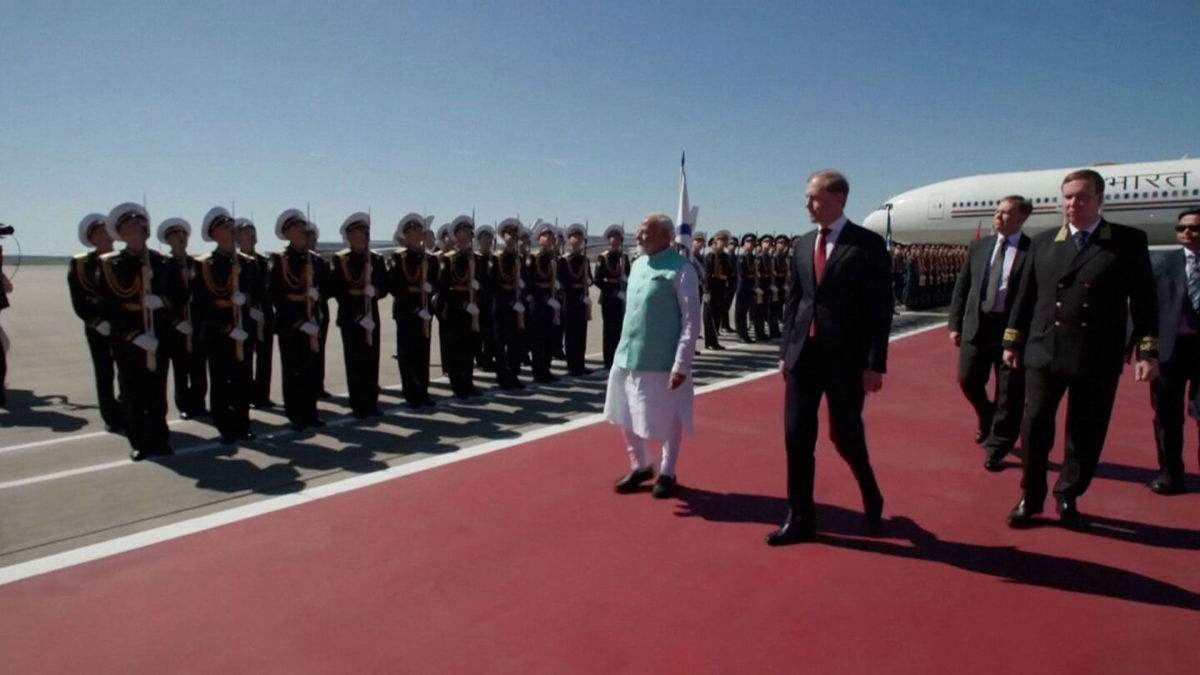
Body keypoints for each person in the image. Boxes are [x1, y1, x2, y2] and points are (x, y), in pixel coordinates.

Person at [1003, 169, 1158, 529]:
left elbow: (1145, 302)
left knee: (1085, 432)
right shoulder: (1042, 242)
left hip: (1097, 353)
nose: (1073, 204)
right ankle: (1032, 495)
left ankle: (1069, 494)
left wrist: (1147, 352)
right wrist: (1013, 341)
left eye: (1082, 197)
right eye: (1068, 197)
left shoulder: (1126, 241)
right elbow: (1023, 298)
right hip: (1045, 349)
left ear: (1100, 199)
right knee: (1035, 425)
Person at [769, 170, 892, 546]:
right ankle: (800, 516)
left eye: (815, 197)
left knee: (846, 437)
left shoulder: (867, 245)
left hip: (846, 360)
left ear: (839, 198)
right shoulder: (803, 244)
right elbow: (794, 301)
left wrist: (875, 364)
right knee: (796, 437)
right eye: (807, 197)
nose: (808, 204)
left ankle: (870, 489)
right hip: (804, 358)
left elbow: (879, 309)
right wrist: (785, 351)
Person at [604, 213, 701, 500]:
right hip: (627, 355)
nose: (639, 235)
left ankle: (668, 471)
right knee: (625, 410)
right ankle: (641, 465)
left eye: (645, 231)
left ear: (664, 236)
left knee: (669, 416)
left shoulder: (683, 269)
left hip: (663, 360)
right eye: (639, 230)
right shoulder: (636, 266)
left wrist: (681, 363)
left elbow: (691, 320)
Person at [947, 196, 1032, 471]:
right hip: (978, 326)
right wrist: (954, 324)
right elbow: (963, 288)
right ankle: (986, 414)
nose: (999, 217)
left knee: (1009, 393)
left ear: (1021, 218)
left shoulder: (1033, 250)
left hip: (1012, 330)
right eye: (997, 212)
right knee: (968, 380)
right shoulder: (979, 246)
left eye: (1006, 213)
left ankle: (997, 446)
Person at [97, 202, 182, 460]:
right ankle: (139, 442)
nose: (136, 231)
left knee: (157, 393)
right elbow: (107, 306)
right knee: (133, 393)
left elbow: (181, 294)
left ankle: (160, 439)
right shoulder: (110, 265)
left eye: (140, 227)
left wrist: (163, 302)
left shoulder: (163, 262)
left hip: (158, 337)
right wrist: (134, 336)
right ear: (121, 234)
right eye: (130, 228)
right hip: (129, 341)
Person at [1145, 207, 1200, 495]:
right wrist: (1144, 351)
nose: (1187, 233)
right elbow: (1146, 310)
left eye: (1194, 228)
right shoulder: (1162, 262)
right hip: (1171, 350)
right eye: (1182, 228)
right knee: (1167, 416)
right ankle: (1170, 473)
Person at [192, 207, 259, 444]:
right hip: (218, 334)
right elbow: (200, 303)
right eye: (224, 228)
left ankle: (242, 424)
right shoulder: (204, 265)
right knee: (220, 382)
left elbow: (260, 292)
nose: (231, 231)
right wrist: (226, 327)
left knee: (242, 381)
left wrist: (249, 306)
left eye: (232, 227)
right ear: (213, 234)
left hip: (244, 332)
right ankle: (225, 428)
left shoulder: (248, 263)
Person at [269, 209, 328, 430]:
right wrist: (299, 321)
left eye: (303, 226)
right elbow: (274, 294)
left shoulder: (315, 260)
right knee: (293, 372)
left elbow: (328, 287)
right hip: (291, 326)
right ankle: (296, 415)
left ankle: (310, 412)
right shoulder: (279, 259)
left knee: (310, 371)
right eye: (295, 227)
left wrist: (318, 298)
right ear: (286, 233)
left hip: (312, 323)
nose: (302, 230)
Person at [330, 212, 390, 418]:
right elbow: (337, 290)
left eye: (366, 231)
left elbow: (385, 285)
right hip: (350, 318)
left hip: (371, 317)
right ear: (349, 235)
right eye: (359, 232)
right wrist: (356, 316)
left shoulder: (376, 259)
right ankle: (358, 404)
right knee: (355, 362)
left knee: (371, 361)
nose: (364, 235)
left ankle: (371, 403)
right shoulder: (341, 260)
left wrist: (377, 292)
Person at [68, 213, 123, 431]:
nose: (105, 235)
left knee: (128, 374)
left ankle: (128, 410)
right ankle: (111, 417)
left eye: (107, 231)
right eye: (99, 232)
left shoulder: (123, 260)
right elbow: (79, 301)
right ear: (90, 238)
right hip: (97, 327)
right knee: (104, 373)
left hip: (125, 327)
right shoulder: (81, 264)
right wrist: (96, 322)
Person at [388, 213, 438, 408]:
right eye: (412, 231)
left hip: (426, 312)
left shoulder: (430, 259)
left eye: (419, 230)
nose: (417, 234)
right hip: (407, 312)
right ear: (405, 235)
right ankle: (411, 393)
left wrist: (431, 291)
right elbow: (396, 287)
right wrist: (416, 308)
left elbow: (437, 282)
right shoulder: (398, 258)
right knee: (407, 354)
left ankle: (422, 391)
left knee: (422, 353)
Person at [159, 217, 207, 419]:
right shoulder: (163, 265)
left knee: (198, 367)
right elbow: (162, 296)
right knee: (180, 369)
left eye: (183, 235)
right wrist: (176, 321)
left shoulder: (197, 263)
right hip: (176, 325)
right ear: (167, 240)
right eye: (175, 235)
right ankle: (184, 404)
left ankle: (199, 403)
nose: (180, 238)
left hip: (196, 323)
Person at [437, 215, 483, 398]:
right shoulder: (447, 260)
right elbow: (443, 289)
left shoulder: (476, 259)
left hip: (472, 311)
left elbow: (486, 282)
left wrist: (479, 290)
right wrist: (463, 304)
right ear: (455, 236)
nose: (465, 237)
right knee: (456, 350)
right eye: (461, 233)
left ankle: (468, 382)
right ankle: (458, 385)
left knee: (470, 348)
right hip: (455, 312)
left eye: (468, 233)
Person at [234, 218, 276, 409]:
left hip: (265, 316)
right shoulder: (235, 263)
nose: (251, 235)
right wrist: (249, 307)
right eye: (245, 232)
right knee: (246, 358)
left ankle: (262, 395)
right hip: (245, 317)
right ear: (237, 239)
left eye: (253, 231)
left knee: (265, 358)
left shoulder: (264, 262)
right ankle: (247, 393)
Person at [490, 218, 527, 389]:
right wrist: (509, 300)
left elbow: (527, 281)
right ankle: (502, 376)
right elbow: (492, 284)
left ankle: (514, 374)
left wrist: (522, 290)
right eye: (508, 234)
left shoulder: (520, 258)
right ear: (503, 237)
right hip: (501, 306)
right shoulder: (496, 258)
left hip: (517, 307)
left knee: (516, 343)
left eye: (514, 234)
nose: (512, 237)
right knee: (500, 343)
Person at [528, 222, 564, 383]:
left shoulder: (554, 259)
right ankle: (538, 371)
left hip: (552, 304)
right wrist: (546, 298)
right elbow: (530, 284)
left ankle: (546, 368)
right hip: (539, 304)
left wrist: (558, 289)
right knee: (538, 339)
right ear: (538, 239)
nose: (549, 239)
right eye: (545, 236)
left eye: (551, 236)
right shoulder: (533, 259)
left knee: (551, 338)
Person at [594, 224, 629, 369]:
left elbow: (629, 276)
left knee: (621, 328)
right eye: (612, 237)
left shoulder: (624, 257)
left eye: (617, 238)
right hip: (609, 297)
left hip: (622, 297)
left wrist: (625, 290)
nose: (615, 240)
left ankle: (619, 357)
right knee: (609, 329)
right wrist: (613, 291)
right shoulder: (603, 257)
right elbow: (598, 279)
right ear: (609, 240)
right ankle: (608, 359)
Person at [561, 223, 594, 376]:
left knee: (581, 334)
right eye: (574, 237)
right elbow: (561, 281)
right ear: (569, 240)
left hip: (582, 299)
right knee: (571, 335)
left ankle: (580, 364)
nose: (577, 241)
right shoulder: (564, 260)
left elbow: (590, 279)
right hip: (569, 299)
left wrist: (587, 282)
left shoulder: (584, 260)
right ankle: (572, 365)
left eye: (580, 238)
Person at [306, 222, 333, 398]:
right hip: (302, 314)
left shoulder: (320, 262)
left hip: (320, 310)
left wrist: (320, 293)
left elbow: (331, 286)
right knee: (305, 353)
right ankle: (306, 387)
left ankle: (318, 385)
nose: (312, 241)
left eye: (314, 237)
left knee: (319, 351)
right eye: (309, 237)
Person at [702, 230, 732, 351]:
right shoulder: (709, 256)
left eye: (725, 241)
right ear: (715, 242)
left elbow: (729, 271)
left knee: (718, 315)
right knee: (709, 316)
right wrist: (706, 291)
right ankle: (709, 342)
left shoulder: (725, 256)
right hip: (711, 288)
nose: (723, 243)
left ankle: (715, 341)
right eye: (720, 241)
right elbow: (706, 275)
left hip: (721, 287)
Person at [475, 224, 498, 372]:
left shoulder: (494, 259)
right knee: (478, 333)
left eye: (490, 237)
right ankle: (480, 359)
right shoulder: (474, 258)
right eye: (485, 237)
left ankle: (488, 359)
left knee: (490, 333)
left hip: (492, 300)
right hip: (478, 300)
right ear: (479, 240)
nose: (488, 240)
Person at [734, 233, 759, 343]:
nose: (751, 245)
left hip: (750, 288)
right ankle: (741, 335)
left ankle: (745, 334)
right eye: (748, 242)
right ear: (744, 245)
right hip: (743, 288)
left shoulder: (753, 258)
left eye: (752, 243)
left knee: (745, 312)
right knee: (740, 314)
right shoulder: (742, 258)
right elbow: (743, 275)